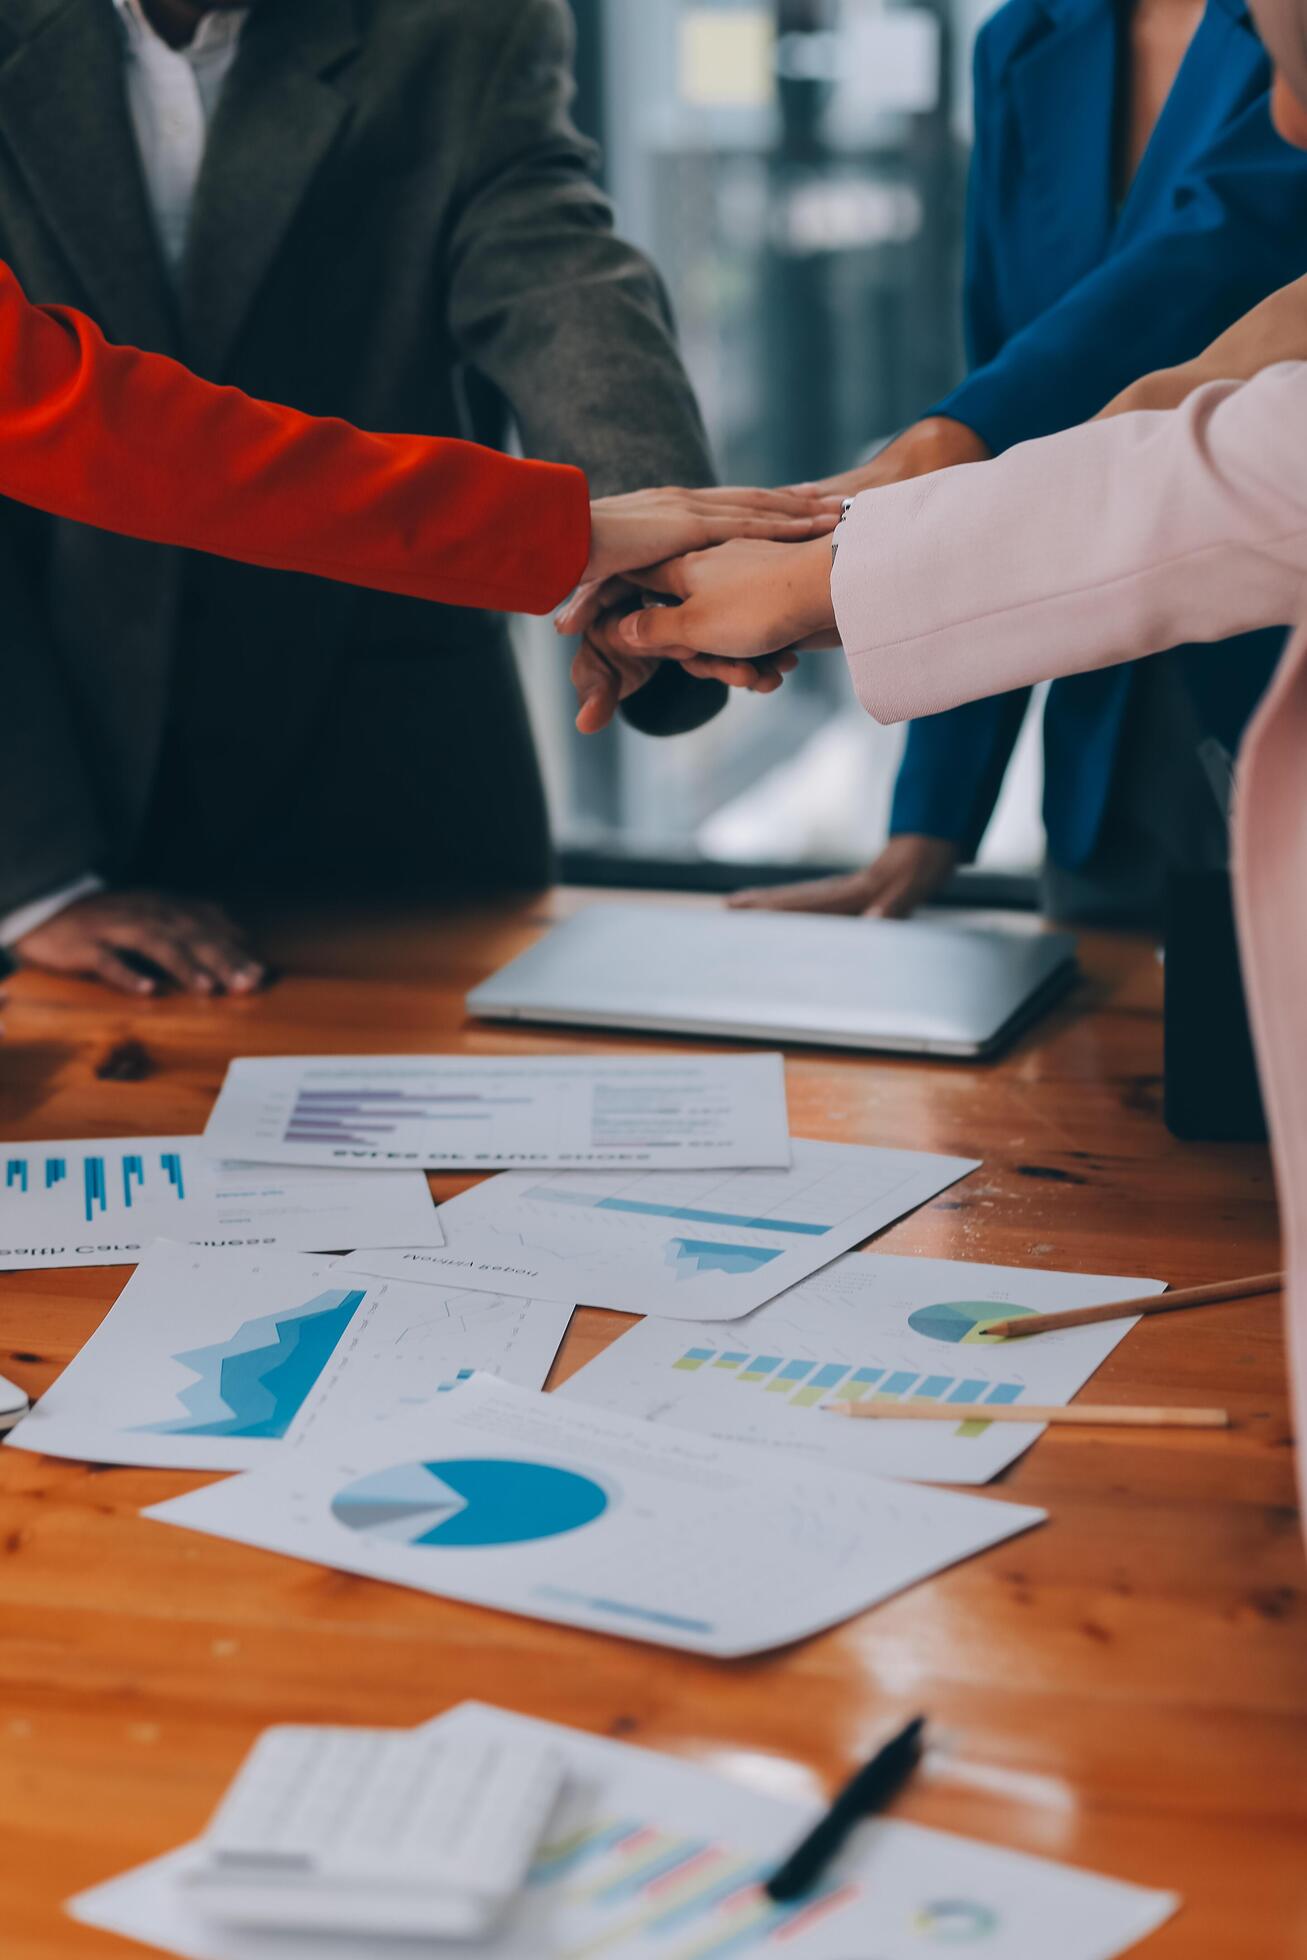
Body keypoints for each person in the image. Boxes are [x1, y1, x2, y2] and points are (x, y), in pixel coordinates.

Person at [576, 0, 1307, 1539]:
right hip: (1087, 689)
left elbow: (1209, 331)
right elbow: (1126, 399)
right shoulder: (1030, 36)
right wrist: (930, 821)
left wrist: (864, 530)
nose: (1291, 117)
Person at [0, 0, 821, 998]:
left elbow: (559, 281)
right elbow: (88, 421)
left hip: (387, 740)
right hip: (53, 750)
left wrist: (673, 564)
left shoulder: (464, 20)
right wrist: (31, 876)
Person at [724, 0, 1307, 922]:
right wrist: (932, 816)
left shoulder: (1286, 28)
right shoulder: (1025, 38)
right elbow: (1003, 355)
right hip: (1103, 735)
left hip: (1277, 675)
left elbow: (1218, 247)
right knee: (1101, 1058)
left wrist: (942, 445)